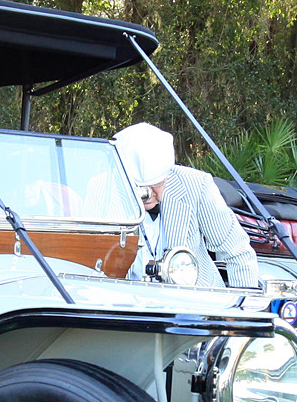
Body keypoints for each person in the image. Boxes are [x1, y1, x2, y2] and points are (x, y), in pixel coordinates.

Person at [111, 123, 260, 289]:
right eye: (138, 186)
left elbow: (237, 251)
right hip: (128, 305)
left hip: (195, 304)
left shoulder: (196, 185)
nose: (148, 194)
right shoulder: (102, 186)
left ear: (168, 174)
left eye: (157, 184)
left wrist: (244, 309)